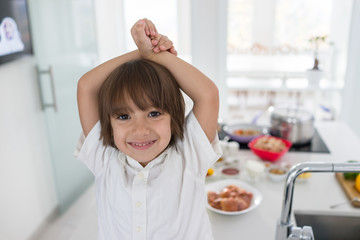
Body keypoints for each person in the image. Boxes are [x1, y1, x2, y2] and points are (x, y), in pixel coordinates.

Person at [76, 18, 221, 240]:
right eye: (124, 116)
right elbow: (86, 87)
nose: (140, 129)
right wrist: (141, 52)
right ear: (109, 123)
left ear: (174, 115)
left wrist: (155, 56)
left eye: (154, 114)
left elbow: (207, 94)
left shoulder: (189, 155)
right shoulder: (104, 158)